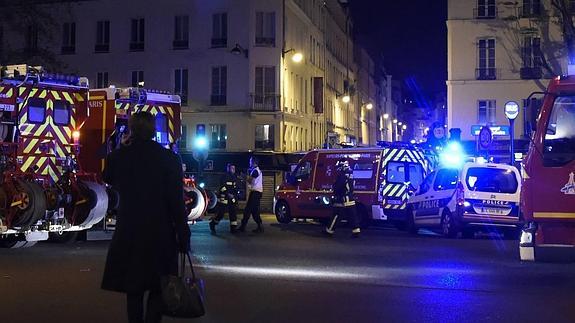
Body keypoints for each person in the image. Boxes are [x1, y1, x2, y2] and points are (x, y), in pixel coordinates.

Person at [101, 111, 191, 323]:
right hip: (160, 233)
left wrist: (122, 147)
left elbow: (108, 177)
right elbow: (176, 202)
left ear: (131, 130)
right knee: (159, 286)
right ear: (153, 130)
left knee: (134, 289)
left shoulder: (120, 157)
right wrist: (183, 233)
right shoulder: (169, 159)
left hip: (129, 231)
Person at [324, 158, 361, 238]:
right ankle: (356, 231)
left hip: (342, 198)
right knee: (352, 216)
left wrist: (335, 191)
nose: (339, 168)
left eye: (340, 166)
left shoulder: (343, 174)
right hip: (350, 198)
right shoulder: (351, 173)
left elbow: (339, 186)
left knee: (336, 215)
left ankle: (329, 231)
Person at [210, 163, 239, 234]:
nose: (233, 170)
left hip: (232, 198)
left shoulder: (235, 177)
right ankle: (213, 223)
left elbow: (236, 187)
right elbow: (222, 187)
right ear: (228, 168)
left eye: (234, 168)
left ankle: (233, 229)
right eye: (232, 168)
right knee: (221, 213)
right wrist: (228, 194)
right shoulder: (224, 176)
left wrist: (234, 195)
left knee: (233, 213)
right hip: (224, 198)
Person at [238, 156, 264, 233]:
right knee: (254, 211)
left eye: (250, 161)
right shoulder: (256, 170)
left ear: (254, 162)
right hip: (257, 193)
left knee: (248, 210)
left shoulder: (255, 171)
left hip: (255, 193)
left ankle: (243, 227)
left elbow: (250, 181)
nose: (249, 163)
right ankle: (260, 227)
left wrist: (243, 176)